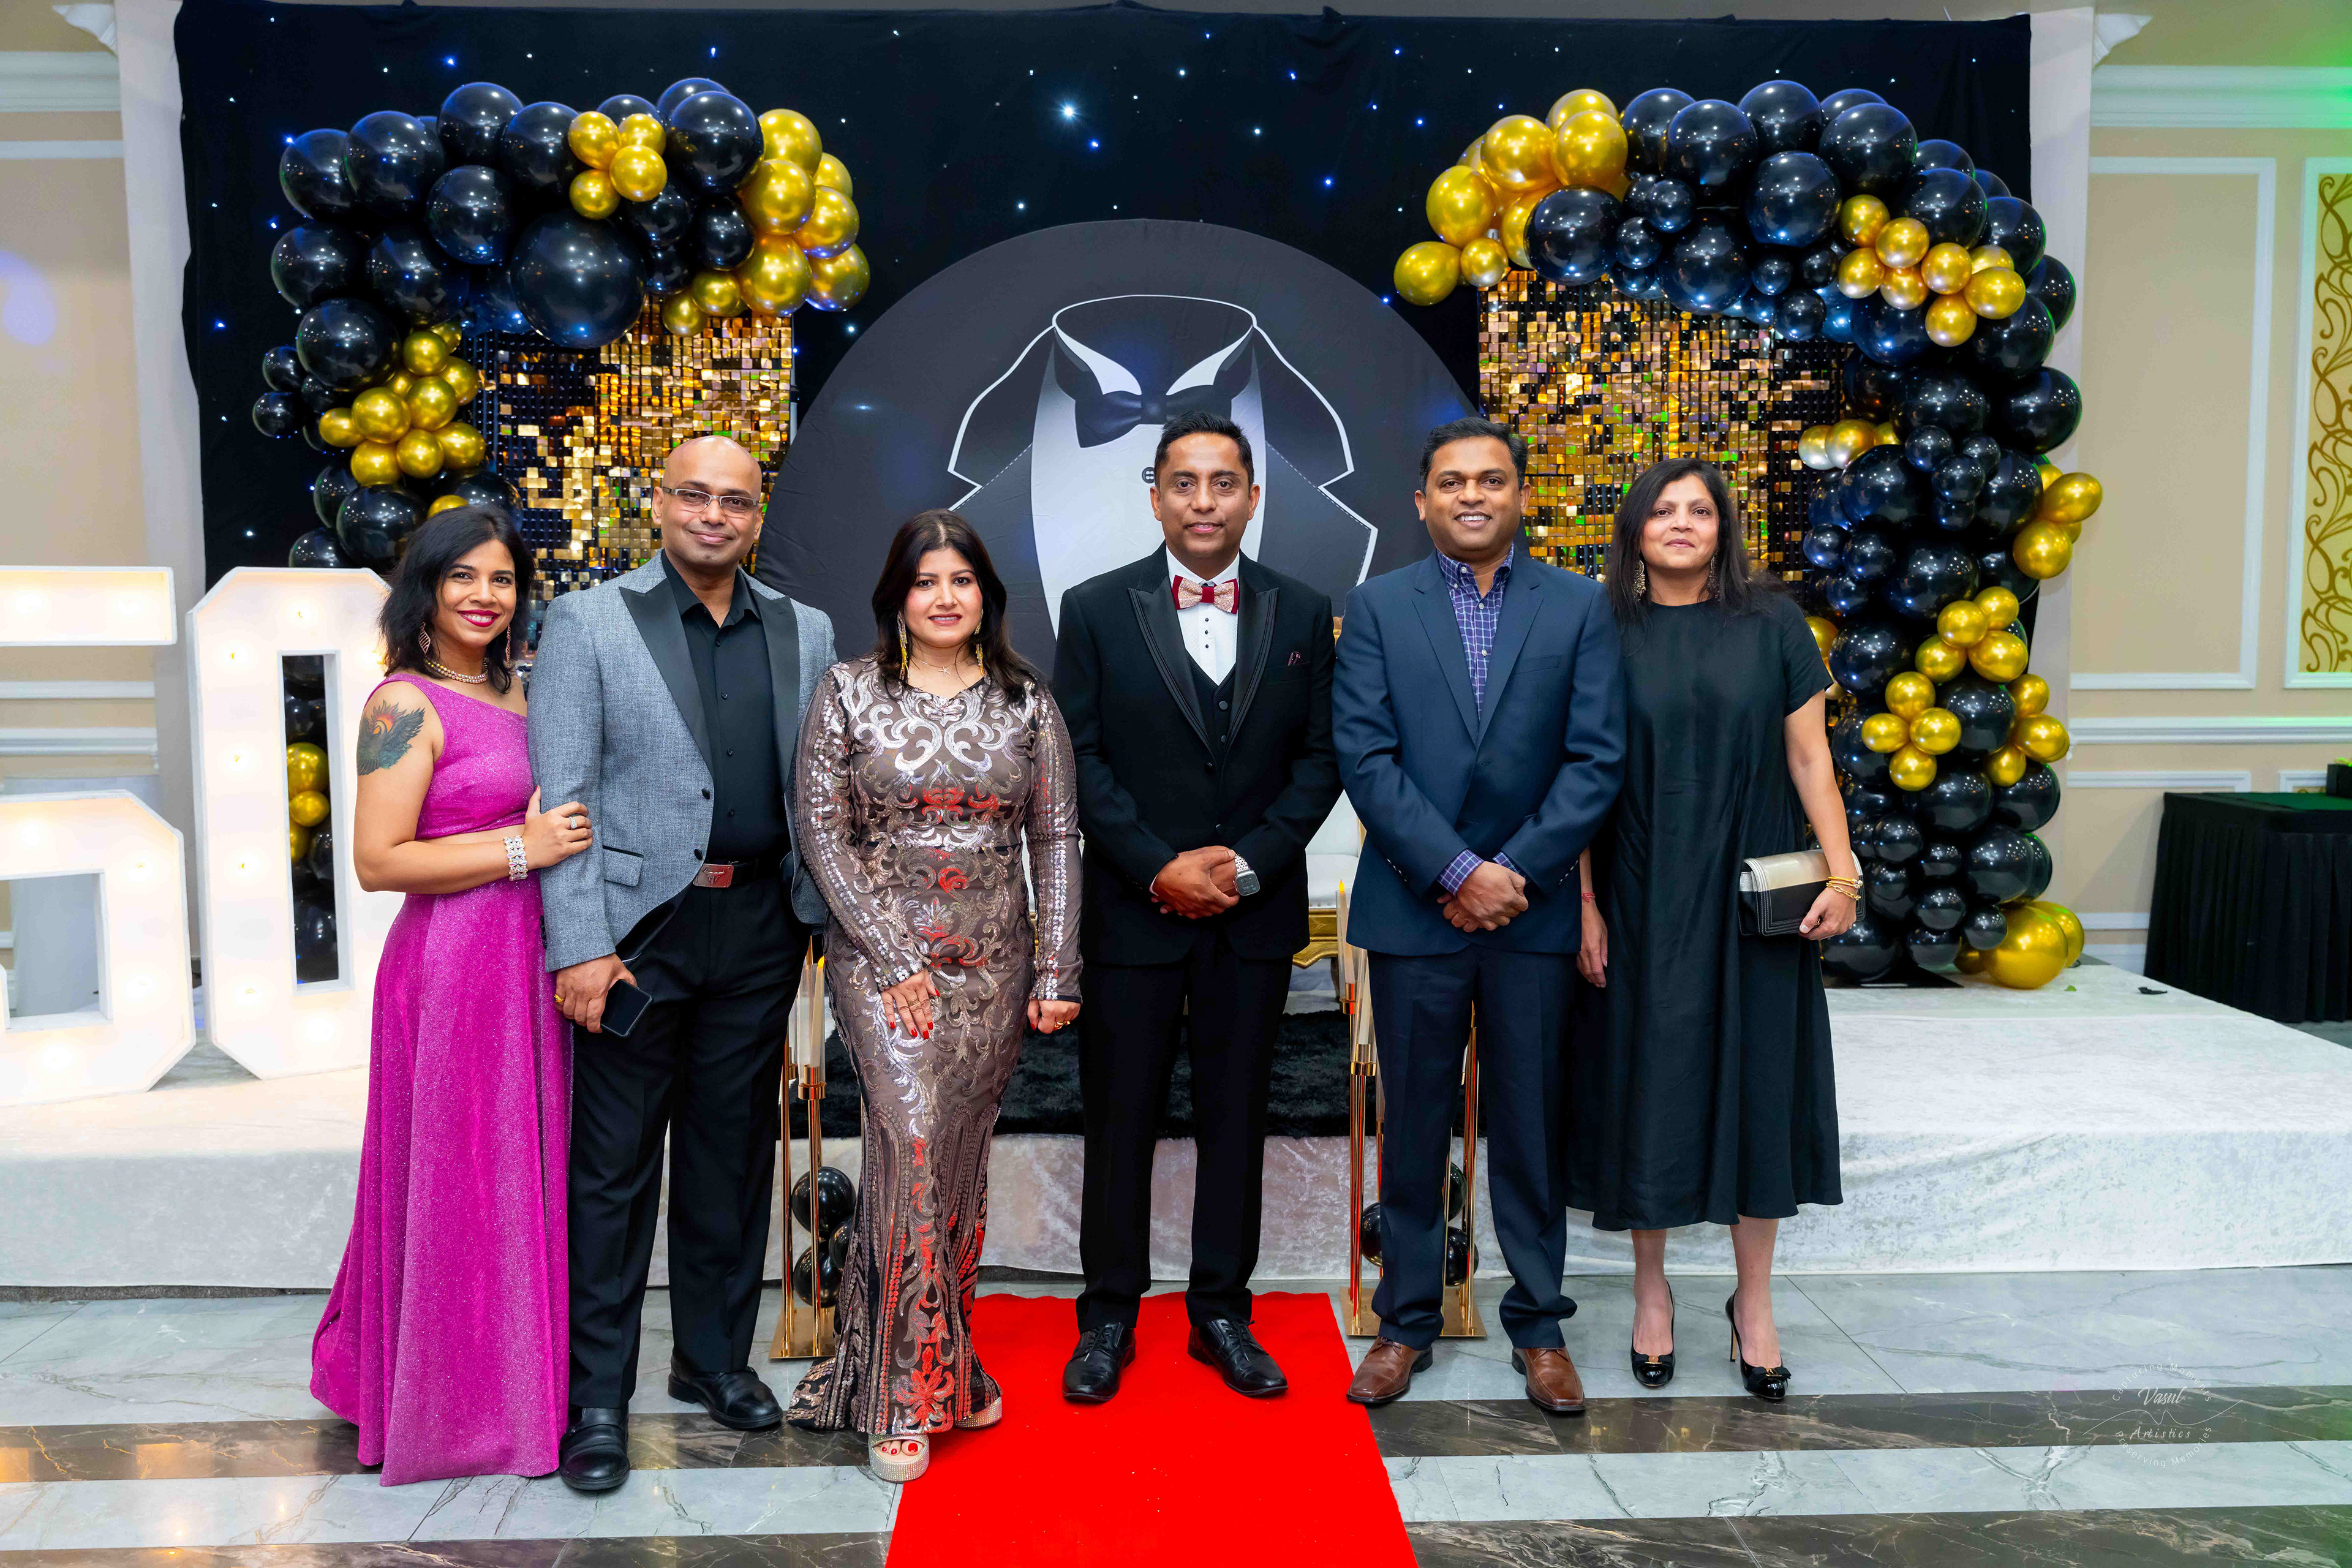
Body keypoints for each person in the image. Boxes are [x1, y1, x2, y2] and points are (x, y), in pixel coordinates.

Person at [527, 435, 837, 1494]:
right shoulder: (589, 621)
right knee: (614, 1171)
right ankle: (596, 1400)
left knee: (730, 1157)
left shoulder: (804, 628)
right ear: (659, 504)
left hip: (760, 929)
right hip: (637, 934)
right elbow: (562, 794)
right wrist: (581, 946)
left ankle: (712, 1361)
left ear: (758, 515)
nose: (714, 515)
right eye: (695, 496)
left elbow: (816, 789)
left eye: (735, 501)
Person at [1332, 416, 1623, 1413]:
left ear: (1521, 497)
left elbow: (1596, 760)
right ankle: (1405, 1322)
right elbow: (1365, 757)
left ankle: (1539, 1327)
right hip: (1416, 912)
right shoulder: (1378, 606)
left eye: (1491, 480)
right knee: (1414, 1127)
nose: (1472, 495)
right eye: (1452, 481)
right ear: (1422, 501)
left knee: (1531, 1128)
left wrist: (1512, 873)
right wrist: (1456, 871)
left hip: (1530, 917)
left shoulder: (1579, 606)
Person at [1052, 408, 1343, 1404]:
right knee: (1118, 1121)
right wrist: (1157, 867)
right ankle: (1107, 1317)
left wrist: (1248, 866)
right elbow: (1079, 756)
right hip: (1132, 916)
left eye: (1224, 483)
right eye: (1185, 482)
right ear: (1156, 496)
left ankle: (1222, 1310)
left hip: (1252, 918)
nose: (1204, 501)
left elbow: (1321, 761)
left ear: (1254, 497)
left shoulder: (1305, 612)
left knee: (1236, 1118)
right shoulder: (1094, 608)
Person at [785, 509, 1081, 1483]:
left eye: (962, 581)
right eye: (926, 581)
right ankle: (902, 1398)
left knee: (952, 1167)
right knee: (910, 1149)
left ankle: (948, 1365)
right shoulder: (848, 693)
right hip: (884, 967)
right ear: (897, 598)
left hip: (993, 967)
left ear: (986, 597)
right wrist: (894, 955)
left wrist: (1057, 968)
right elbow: (822, 833)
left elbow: (1055, 838)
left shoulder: (1026, 702)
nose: (945, 597)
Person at [1568, 458, 1856, 1403]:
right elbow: (1576, 778)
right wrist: (1584, 903)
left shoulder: (1774, 623)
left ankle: (1754, 1305)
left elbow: (1810, 758)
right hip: (1640, 886)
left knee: (1758, 1088)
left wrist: (1844, 872)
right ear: (1635, 529)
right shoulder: (1600, 628)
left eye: (1701, 510)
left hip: (1754, 890)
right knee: (1649, 1085)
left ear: (1725, 528)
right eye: (1664, 509)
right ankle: (1652, 1295)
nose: (1683, 523)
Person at [312, 505, 589, 1484]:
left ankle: (516, 1386)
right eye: (462, 576)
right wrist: (523, 847)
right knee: (463, 1175)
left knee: (518, 1176)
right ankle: (454, 1406)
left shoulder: (524, 690)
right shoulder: (403, 703)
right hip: (455, 968)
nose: (484, 595)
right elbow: (378, 861)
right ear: (424, 589)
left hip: (529, 962)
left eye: (502, 578)